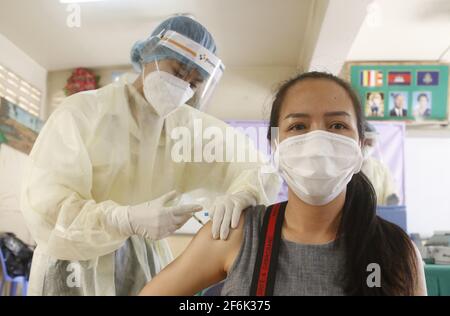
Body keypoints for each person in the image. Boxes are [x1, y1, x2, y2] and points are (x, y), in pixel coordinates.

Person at [20, 16, 280, 296]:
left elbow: (258, 170)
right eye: (178, 73)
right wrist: (123, 219)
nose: (183, 87)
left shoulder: (186, 129)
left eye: (193, 84)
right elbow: (46, 207)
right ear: (149, 55)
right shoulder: (84, 113)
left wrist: (244, 194)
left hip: (144, 267)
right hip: (72, 267)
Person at [139, 72, 426, 296]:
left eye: (337, 125)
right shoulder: (238, 234)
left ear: (360, 145)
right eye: (298, 126)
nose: (317, 141)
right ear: (275, 145)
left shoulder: (396, 250)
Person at [361, 122, 399, 206]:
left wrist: (392, 201)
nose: (367, 145)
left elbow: (391, 194)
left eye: (370, 143)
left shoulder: (381, 169)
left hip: (376, 215)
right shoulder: (344, 167)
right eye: (364, 142)